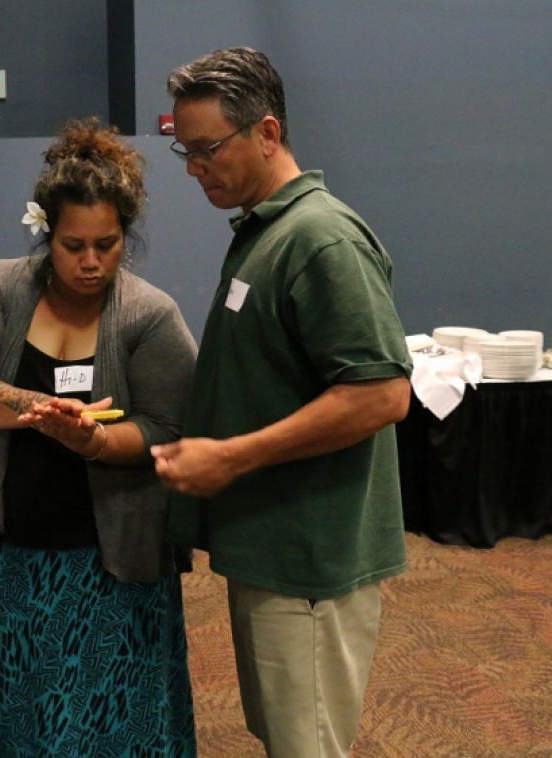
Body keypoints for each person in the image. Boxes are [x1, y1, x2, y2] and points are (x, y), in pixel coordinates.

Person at [151, 48, 412, 757]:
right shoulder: (265, 232)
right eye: (185, 150)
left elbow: (382, 394)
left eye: (207, 149)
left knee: (309, 745)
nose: (194, 168)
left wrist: (232, 457)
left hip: (311, 562)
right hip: (272, 549)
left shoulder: (321, 239)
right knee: (287, 738)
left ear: (267, 133)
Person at [0, 117, 198, 756]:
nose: (90, 262)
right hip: (17, 552)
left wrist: (93, 442)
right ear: (45, 234)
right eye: (72, 245)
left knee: (114, 716)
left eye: (106, 245)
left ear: (125, 238)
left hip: (113, 559)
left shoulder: (149, 314)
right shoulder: (0, 288)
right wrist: (38, 407)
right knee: (23, 709)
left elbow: (167, 427)